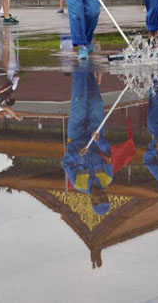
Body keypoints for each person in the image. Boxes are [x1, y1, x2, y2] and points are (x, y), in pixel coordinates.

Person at [61, 69, 113, 218]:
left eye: (100, 200)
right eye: (105, 199)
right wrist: (99, 141)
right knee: (96, 102)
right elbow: (108, 153)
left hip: (76, 137)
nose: (102, 196)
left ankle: (80, 68)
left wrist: (77, 156)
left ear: (93, 201)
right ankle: (90, 71)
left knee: (80, 101)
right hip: (95, 135)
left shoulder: (78, 183)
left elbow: (65, 163)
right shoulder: (107, 178)